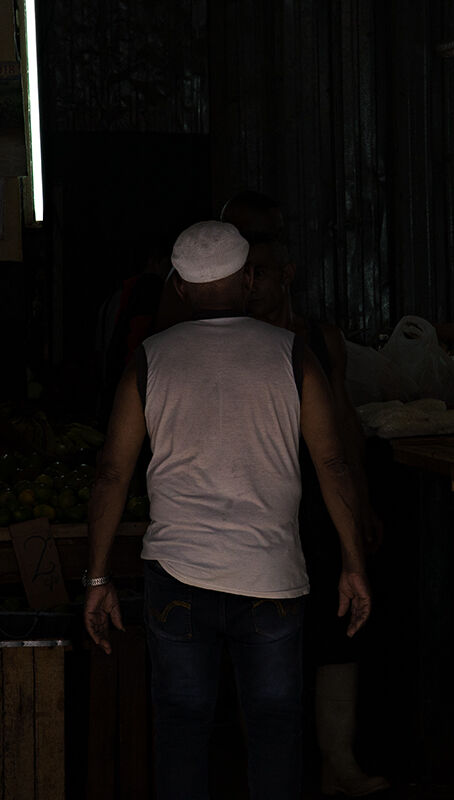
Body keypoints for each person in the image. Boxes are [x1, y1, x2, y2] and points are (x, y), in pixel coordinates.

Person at [83, 221, 372, 800]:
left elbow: (113, 472)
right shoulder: (292, 355)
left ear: (183, 289)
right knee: (273, 729)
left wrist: (96, 577)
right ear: (247, 278)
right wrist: (353, 563)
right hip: (270, 577)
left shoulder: (150, 359)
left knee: (182, 729)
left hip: (176, 575)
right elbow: (333, 464)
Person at [222, 190, 390, 797]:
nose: (253, 285)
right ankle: (269, 774)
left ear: (286, 275)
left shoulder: (320, 339)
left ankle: (337, 764)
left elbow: (343, 427)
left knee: (338, 628)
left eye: (262, 273)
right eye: (244, 275)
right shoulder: (227, 340)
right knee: (258, 634)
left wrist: (361, 501)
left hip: (319, 503)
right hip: (255, 505)